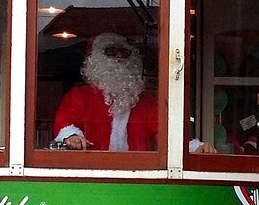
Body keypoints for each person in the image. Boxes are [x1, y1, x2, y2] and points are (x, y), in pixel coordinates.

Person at [53, 32, 215, 153]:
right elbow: (65, 124)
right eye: (110, 51)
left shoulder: (146, 102)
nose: (118, 57)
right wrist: (71, 137)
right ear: (96, 58)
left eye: (124, 52)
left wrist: (195, 148)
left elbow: (167, 135)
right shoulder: (80, 97)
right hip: (92, 174)